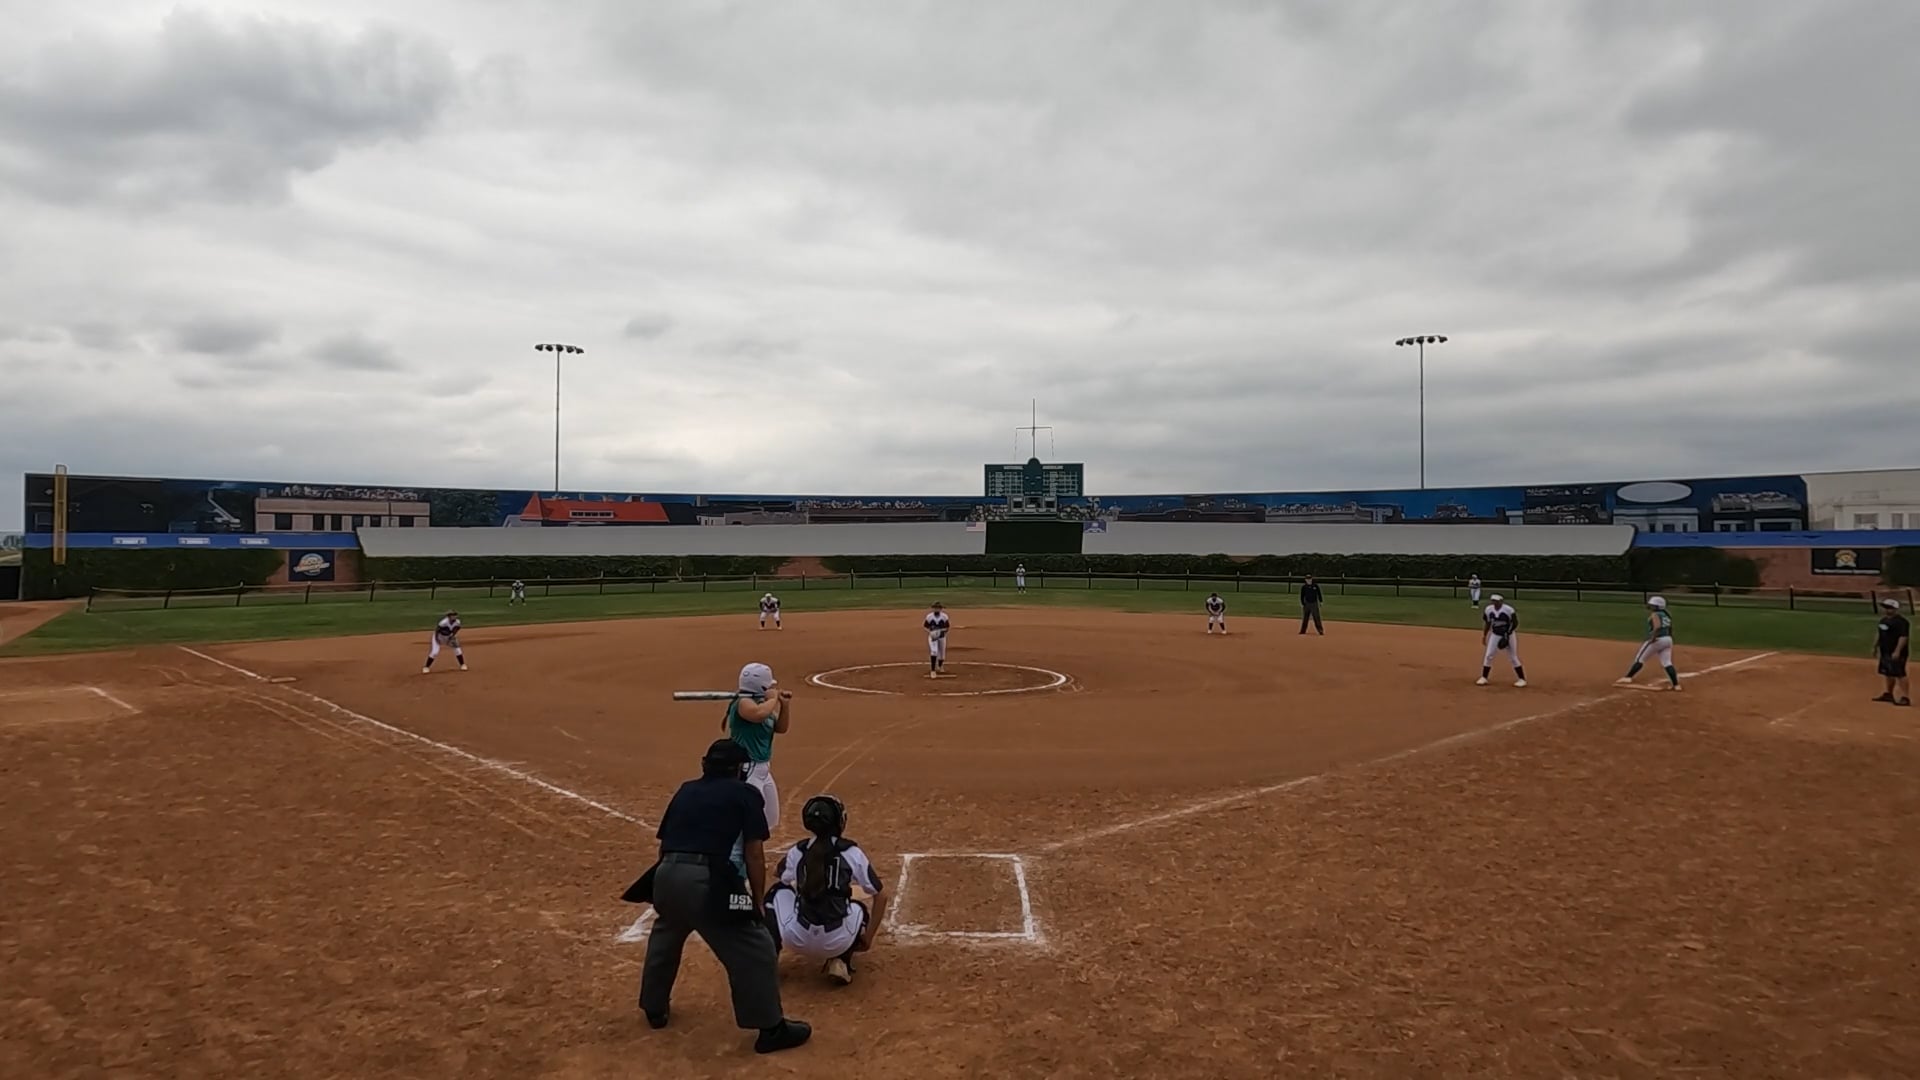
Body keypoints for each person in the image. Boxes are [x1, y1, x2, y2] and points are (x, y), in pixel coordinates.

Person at [630, 739, 811, 1054]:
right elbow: (754, 854)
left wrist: (668, 880)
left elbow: (665, 843)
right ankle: (771, 1029)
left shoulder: (686, 790)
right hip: (707, 881)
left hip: (665, 874)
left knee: (667, 933)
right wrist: (756, 901)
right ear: (739, 769)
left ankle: (654, 1008)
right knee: (756, 946)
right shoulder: (746, 793)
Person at [765, 794, 888, 986]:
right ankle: (840, 961)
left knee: (776, 892)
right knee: (858, 908)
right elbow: (881, 896)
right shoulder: (850, 852)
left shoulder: (798, 851)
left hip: (797, 938)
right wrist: (869, 937)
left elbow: (780, 875)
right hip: (836, 941)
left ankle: (767, 960)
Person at [723, 663, 791, 832]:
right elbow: (758, 715)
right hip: (747, 768)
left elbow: (781, 728)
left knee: (770, 818)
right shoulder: (743, 703)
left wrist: (784, 705)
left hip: (763, 769)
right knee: (747, 821)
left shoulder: (762, 704)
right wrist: (773, 699)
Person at [1616, 595, 1680, 691]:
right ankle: (1676, 685)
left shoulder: (1655, 614)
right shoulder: (1667, 615)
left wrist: (1653, 638)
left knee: (1640, 659)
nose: (1650, 606)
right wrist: (1669, 637)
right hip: (1667, 639)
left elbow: (1657, 626)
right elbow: (1670, 628)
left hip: (1658, 639)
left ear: (1657, 606)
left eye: (1652, 605)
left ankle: (1627, 677)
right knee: (1667, 663)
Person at [1477, 594, 1527, 687]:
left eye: (1497, 601)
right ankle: (1484, 677)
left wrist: (1507, 634)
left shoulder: (1508, 610)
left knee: (1513, 657)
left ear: (1501, 601)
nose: (1495, 603)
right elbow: (1488, 623)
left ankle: (1522, 679)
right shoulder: (1488, 610)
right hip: (1495, 634)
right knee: (1488, 655)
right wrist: (1484, 635)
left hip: (1509, 635)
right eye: (1493, 601)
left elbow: (1515, 623)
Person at [1873, 598, 1911, 707]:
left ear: (1895, 609)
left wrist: (1897, 651)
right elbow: (1880, 634)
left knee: (1900, 673)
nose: (1887, 610)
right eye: (1886, 607)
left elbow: (1903, 637)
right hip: (1885, 651)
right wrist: (1875, 646)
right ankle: (1888, 694)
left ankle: (1905, 697)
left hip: (1896, 652)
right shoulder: (1883, 620)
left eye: (1889, 608)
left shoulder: (1902, 622)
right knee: (1888, 672)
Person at [924, 601, 951, 677]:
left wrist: (940, 631)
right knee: (934, 651)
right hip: (933, 637)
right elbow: (925, 626)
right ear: (932, 608)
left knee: (942, 654)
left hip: (942, 637)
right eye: (935, 608)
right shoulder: (929, 616)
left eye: (938, 608)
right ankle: (933, 670)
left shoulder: (944, 616)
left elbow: (947, 627)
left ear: (941, 609)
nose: (936, 609)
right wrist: (931, 632)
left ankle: (940, 666)